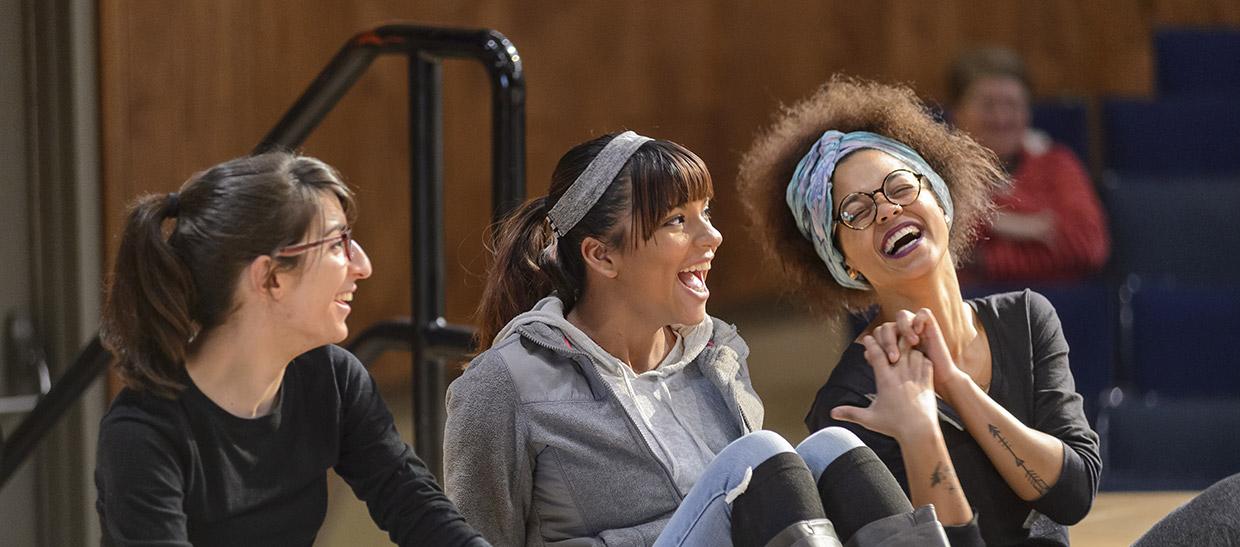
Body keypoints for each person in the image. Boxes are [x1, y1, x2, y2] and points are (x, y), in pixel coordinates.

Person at [445, 131, 969, 546]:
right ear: (601, 256)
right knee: (756, 458)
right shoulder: (504, 385)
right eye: (677, 220)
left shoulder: (716, 357)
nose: (712, 237)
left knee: (833, 448)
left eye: (706, 213)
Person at [737, 77, 1102, 546]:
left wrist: (952, 382)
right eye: (856, 212)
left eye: (899, 186)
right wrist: (918, 429)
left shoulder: (1027, 318)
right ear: (842, 260)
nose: (886, 209)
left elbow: (1073, 494)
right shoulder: (849, 405)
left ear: (939, 198)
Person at [95, 152, 487, 546]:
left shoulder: (332, 378)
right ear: (270, 277)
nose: (362, 265)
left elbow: (413, 503)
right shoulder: (143, 434)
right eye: (337, 243)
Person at [948, 47, 1110, 283]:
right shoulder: (940, 170)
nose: (1001, 118)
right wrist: (1022, 225)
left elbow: (1088, 247)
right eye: (988, 105)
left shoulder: (1057, 165)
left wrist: (986, 255)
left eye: (1012, 105)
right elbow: (944, 251)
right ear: (958, 113)